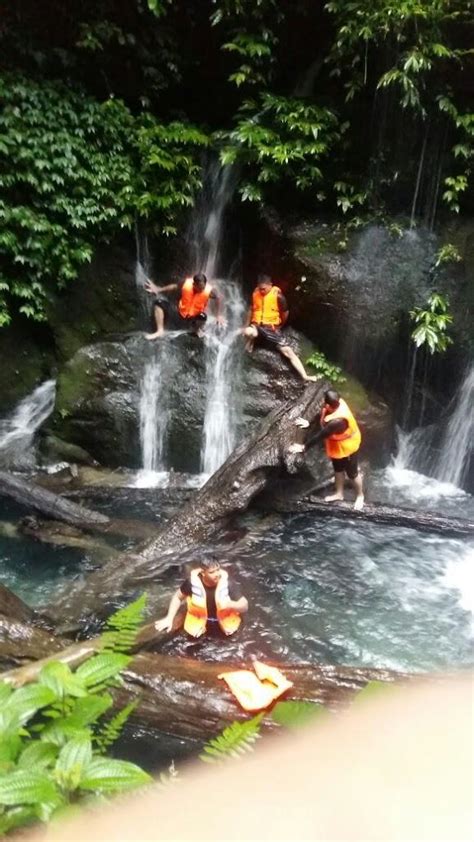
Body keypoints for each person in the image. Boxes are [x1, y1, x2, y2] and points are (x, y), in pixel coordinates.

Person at [289, 389, 364, 510]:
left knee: (352, 473)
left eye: (324, 401)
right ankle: (339, 494)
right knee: (338, 469)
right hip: (338, 446)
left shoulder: (338, 421)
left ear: (329, 404)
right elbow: (322, 415)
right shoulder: (335, 404)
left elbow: (321, 435)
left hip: (349, 446)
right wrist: (309, 423)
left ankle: (360, 496)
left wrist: (303, 447)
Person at [238, 273, 318, 382]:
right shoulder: (255, 293)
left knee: (288, 352)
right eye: (260, 288)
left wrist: (280, 325)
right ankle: (251, 341)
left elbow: (285, 312)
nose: (262, 291)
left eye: (264, 289)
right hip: (257, 326)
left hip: (271, 328)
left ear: (270, 285)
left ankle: (305, 376)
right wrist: (245, 325)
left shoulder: (278, 296)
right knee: (247, 331)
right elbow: (251, 310)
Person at [154, 557, 248, 638]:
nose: (217, 574)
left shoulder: (228, 583)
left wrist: (231, 604)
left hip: (225, 622)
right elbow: (177, 597)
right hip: (198, 621)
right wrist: (169, 618)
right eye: (212, 572)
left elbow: (244, 606)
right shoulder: (191, 583)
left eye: (218, 570)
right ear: (203, 573)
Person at [144, 273, 224, 339]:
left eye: (203, 288)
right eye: (199, 288)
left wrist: (219, 315)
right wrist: (158, 289)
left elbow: (218, 298)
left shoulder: (209, 290)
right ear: (194, 284)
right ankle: (160, 331)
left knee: (203, 316)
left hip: (193, 319)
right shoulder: (186, 283)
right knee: (159, 302)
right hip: (179, 314)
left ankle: (196, 331)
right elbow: (174, 287)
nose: (201, 290)